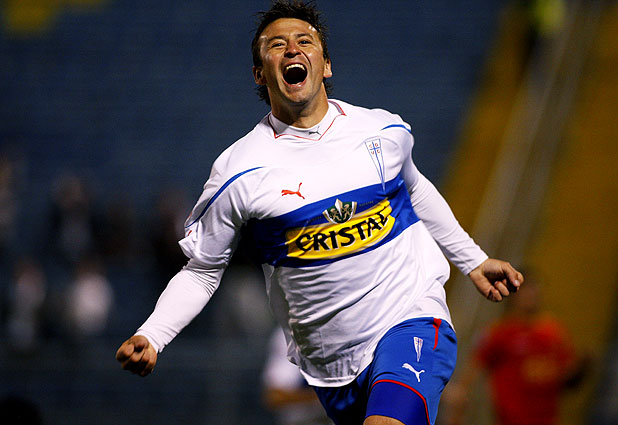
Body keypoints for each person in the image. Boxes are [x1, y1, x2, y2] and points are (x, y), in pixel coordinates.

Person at [116, 2, 524, 424]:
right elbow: (203, 271)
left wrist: (472, 260)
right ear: (259, 74)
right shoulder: (238, 172)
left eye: (304, 41)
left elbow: (415, 188)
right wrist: (153, 334)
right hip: (331, 365)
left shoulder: (382, 131)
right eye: (277, 45)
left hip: (411, 317)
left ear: (325, 64)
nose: (292, 49)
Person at [443, 271, 587, 425]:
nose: (530, 295)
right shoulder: (500, 332)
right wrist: (460, 394)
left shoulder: (553, 331)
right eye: (525, 290)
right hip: (510, 418)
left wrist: (577, 371)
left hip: (547, 418)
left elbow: (567, 371)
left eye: (533, 289)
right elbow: (475, 366)